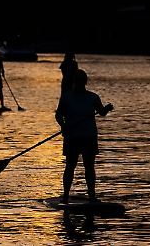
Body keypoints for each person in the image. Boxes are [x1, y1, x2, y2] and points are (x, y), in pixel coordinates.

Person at [55, 69, 113, 203]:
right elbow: (59, 114)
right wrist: (63, 126)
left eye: (82, 81)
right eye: (78, 81)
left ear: (85, 82)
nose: (80, 83)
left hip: (88, 137)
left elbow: (102, 112)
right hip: (72, 137)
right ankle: (65, 196)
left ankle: (92, 196)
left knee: (89, 166)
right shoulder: (67, 97)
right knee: (70, 166)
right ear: (75, 82)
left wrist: (107, 108)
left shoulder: (93, 97)